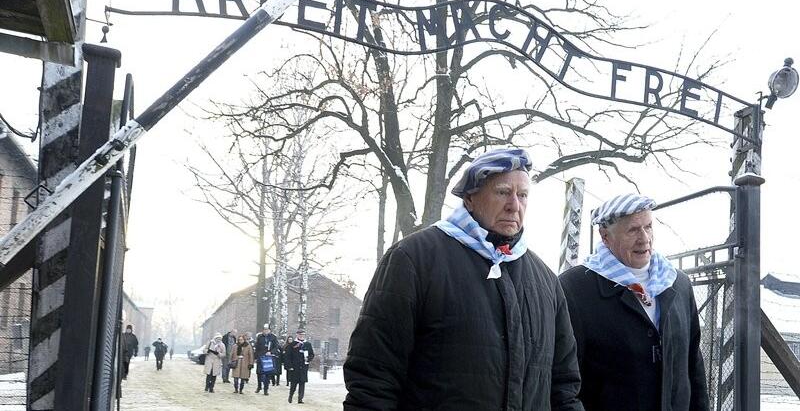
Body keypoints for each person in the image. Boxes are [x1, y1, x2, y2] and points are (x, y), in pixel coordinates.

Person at [343, 148, 583, 410]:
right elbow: (373, 377)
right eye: (503, 192)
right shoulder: (414, 259)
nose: (514, 205)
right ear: (470, 197)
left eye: (522, 195)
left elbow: (564, 388)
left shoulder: (545, 281)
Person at [559, 193, 709, 411]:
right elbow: (563, 381)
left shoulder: (678, 284)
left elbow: (693, 366)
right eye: (632, 230)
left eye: (648, 227)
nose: (644, 238)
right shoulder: (573, 289)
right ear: (605, 236)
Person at [287, 329, 314, 404]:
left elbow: (312, 354)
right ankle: (291, 396)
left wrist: (308, 358)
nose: (302, 336)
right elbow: (288, 356)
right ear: (297, 335)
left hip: (303, 367)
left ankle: (300, 399)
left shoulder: (308, 344)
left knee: (302, 384)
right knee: (293, 384)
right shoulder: (292, 344)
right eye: (300, 335)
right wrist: (289, 366)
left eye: (303, 335)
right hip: (295, 367)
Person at [254, 324, 280, 395]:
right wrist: (256, 357)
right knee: (259, 373)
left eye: (267, 329)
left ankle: (266, 389)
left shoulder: (273, 337)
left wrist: (271, 352)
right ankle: (259, 386)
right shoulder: (259, 337)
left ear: (269, 330)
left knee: (268, 374)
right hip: (261, 357)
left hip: (269, 357)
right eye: (264, 329)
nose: (266, 331)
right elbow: (257, 347)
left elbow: (276, 347)